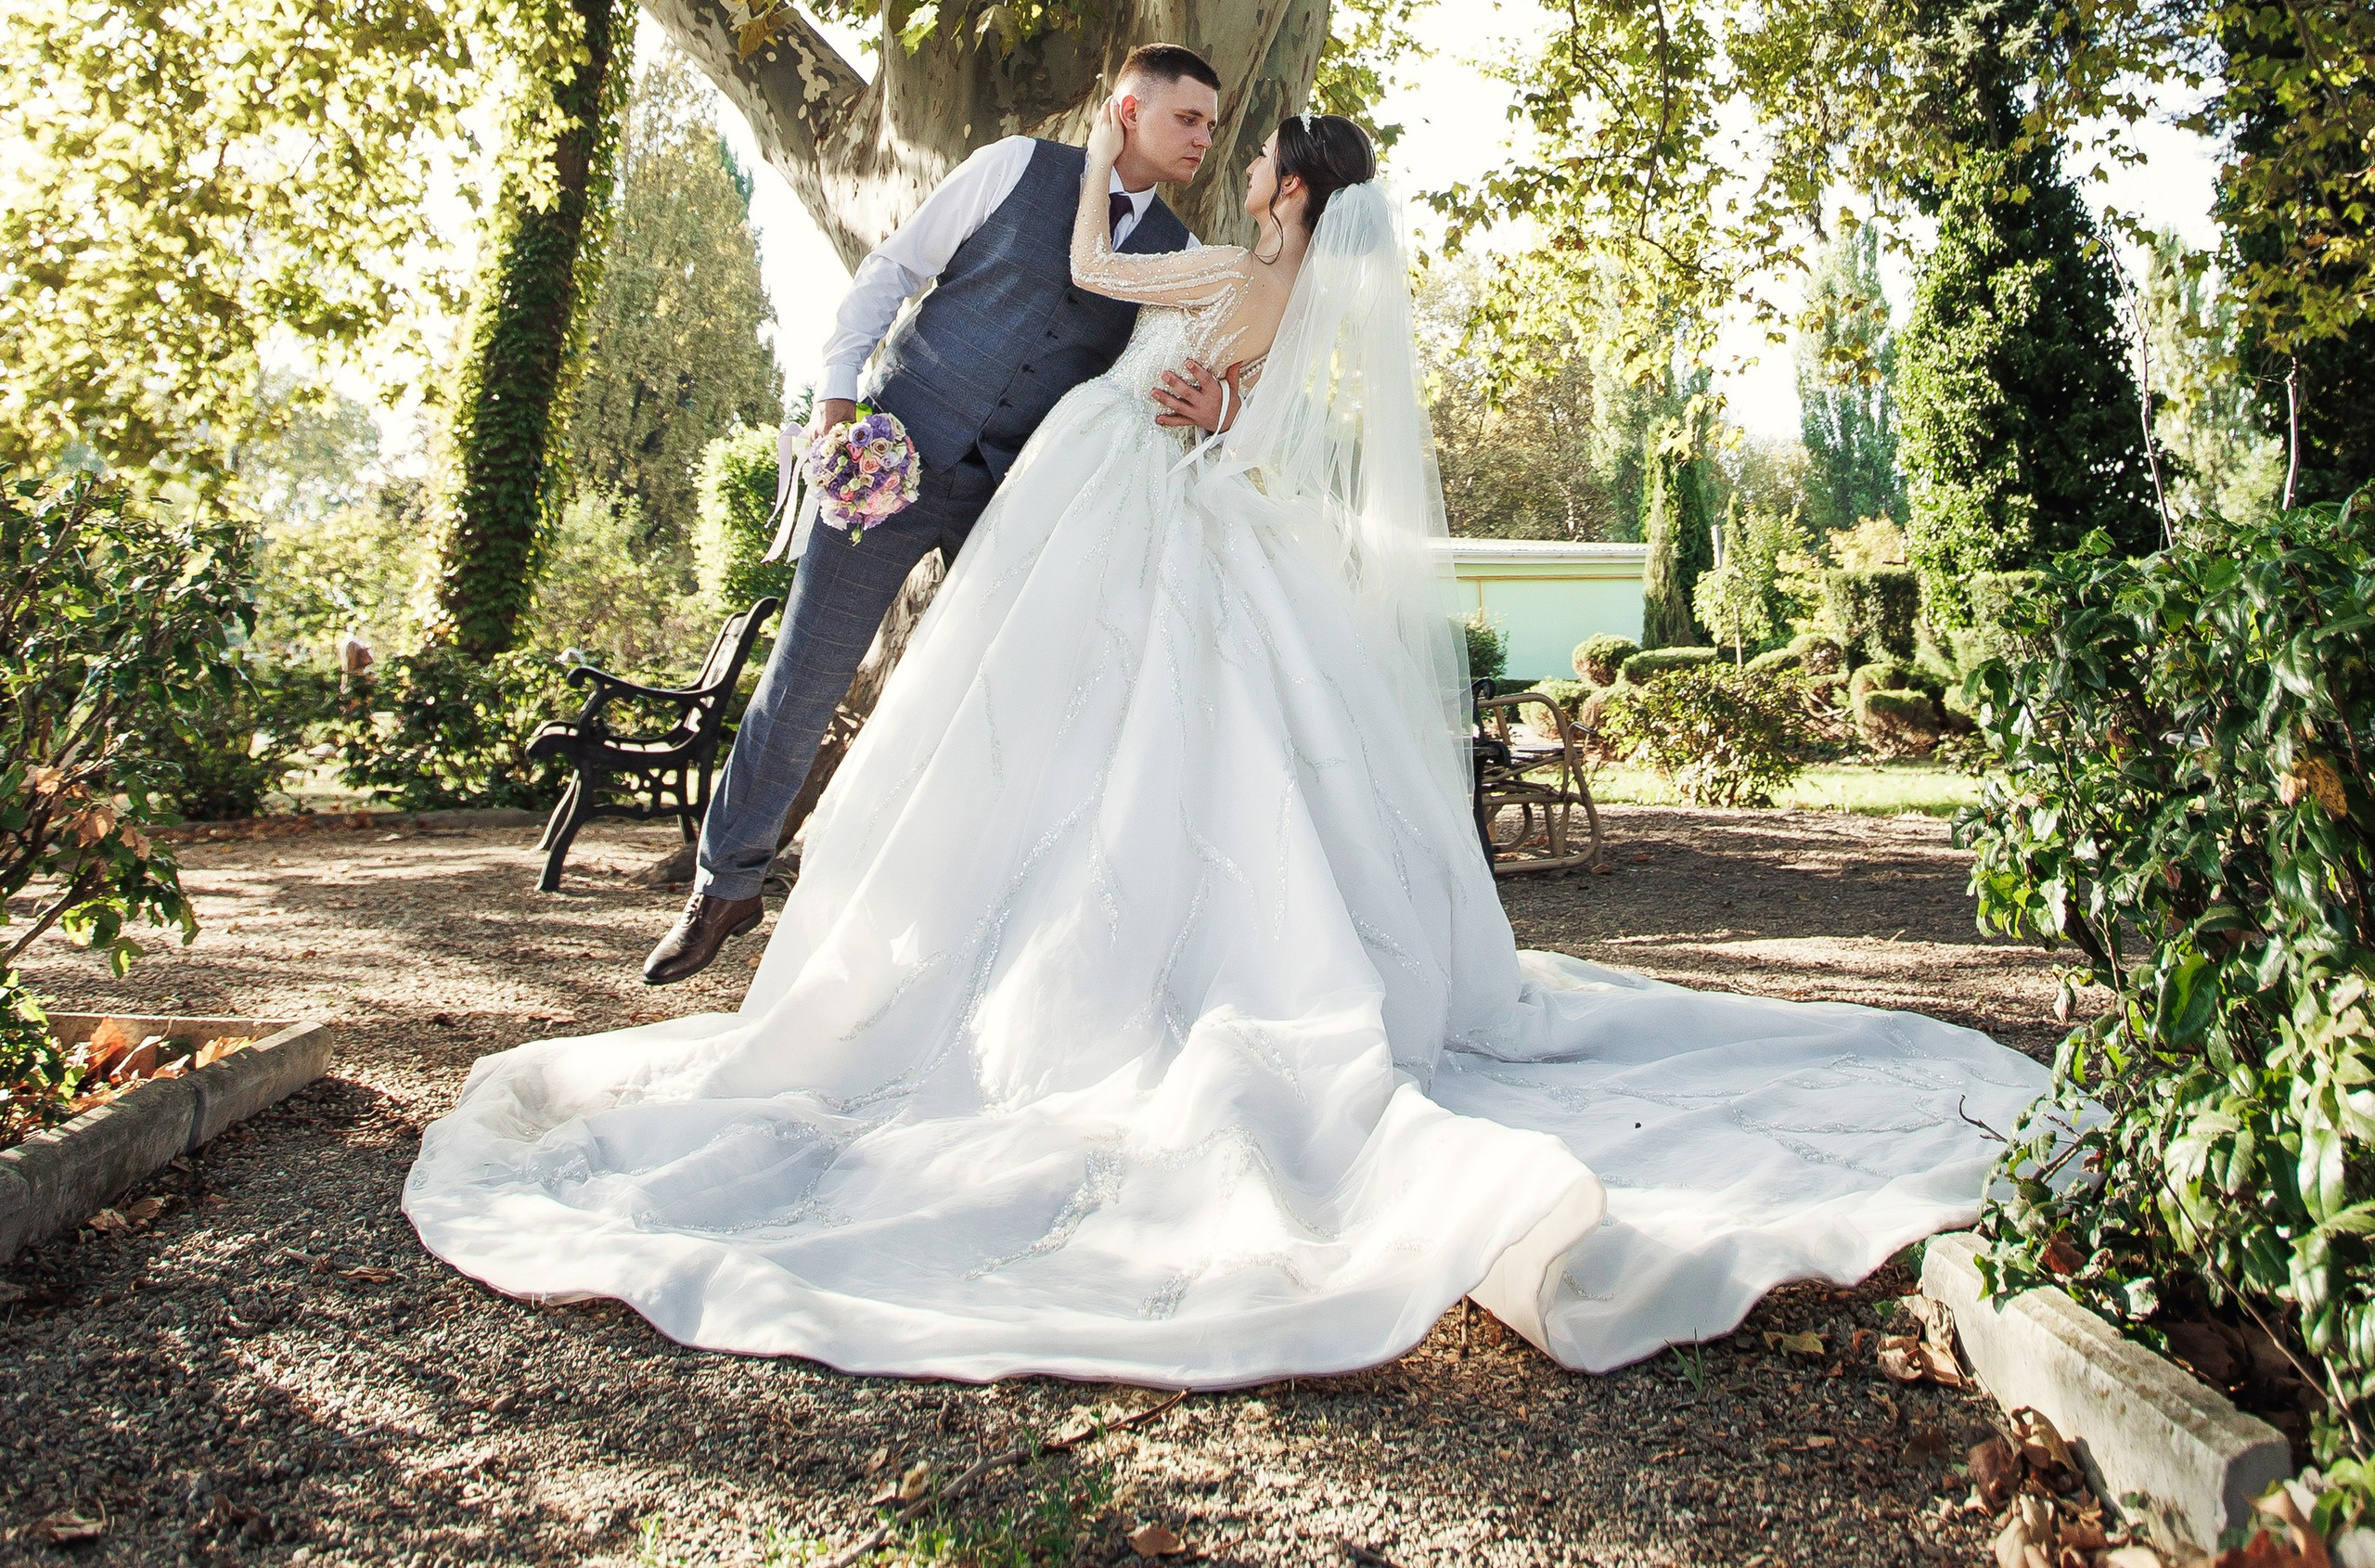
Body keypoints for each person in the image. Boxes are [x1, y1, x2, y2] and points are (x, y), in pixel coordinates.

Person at [407, 92, 2047, 1384]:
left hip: (1109, 492)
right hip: (1129, 485)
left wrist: (1106, 194)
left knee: (1079, 734)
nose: (1237, 157)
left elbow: (1107, 282)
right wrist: (1207, 402)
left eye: (1253, 152)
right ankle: (857, 896)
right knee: (1129, 737)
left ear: (1291, 190)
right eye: (1214, 133)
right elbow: (1239, 404)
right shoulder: (1278, 284)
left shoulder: (1218, 263)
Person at [640, 45, 1227, 984]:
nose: (1204, 137)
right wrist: (837, 398)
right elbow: (893, 269)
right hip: (896, 449)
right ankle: (726, 887)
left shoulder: (1182, 254)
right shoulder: (1013, 165)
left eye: (1210, 124)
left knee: (1006, 703)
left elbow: (1185, 373)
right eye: (1187, 118)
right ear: (1128, 108)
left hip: (1021, 497)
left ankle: (975, 922)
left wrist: (1217, 407)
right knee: (804, 676)